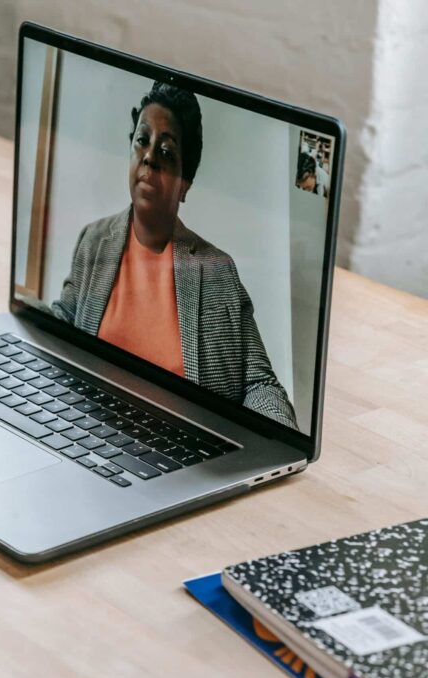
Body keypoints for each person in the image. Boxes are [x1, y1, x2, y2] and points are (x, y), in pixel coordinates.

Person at [52, 82, 298, 429]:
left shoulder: (216, 270)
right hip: (89, 432)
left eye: (167, 153)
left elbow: (259, 384)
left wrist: (276, 442)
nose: (150, 156)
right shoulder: (94, 242)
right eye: (142, 140)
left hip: (180, 452)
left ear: (184, 184)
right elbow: (63, 322)